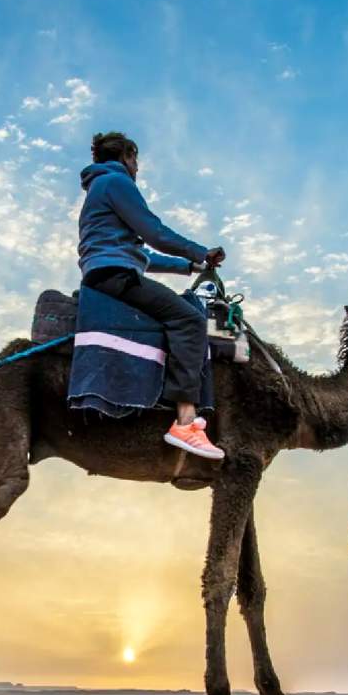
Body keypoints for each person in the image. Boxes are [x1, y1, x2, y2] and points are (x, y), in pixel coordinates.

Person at [77, 131, 227, 460]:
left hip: (107, 272)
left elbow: (141, 254)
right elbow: (154, 232)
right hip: (116, 275)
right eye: (136, 161)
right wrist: (202, 252)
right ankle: (186, 421)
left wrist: (188, 265)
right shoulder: (117, 183)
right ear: (127, 157)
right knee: (189, 319)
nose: (137, 169)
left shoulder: (99, 189)